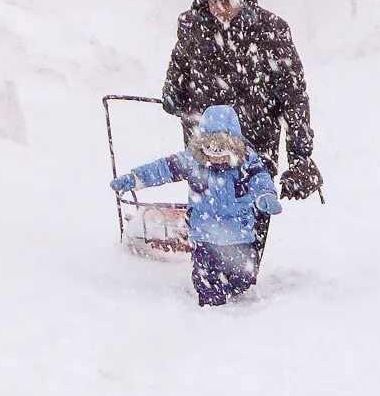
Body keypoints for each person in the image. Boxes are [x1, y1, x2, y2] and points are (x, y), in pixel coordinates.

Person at [162, 0, 321, 270]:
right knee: (209, 223)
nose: (220, 9)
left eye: (227, 0)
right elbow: (176, 77)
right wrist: (176, 98)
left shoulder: (270, 31)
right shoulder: (192, 28)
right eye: (213, 1)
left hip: (256, 146)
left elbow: (294, 97)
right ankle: (211, 280)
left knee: (249, 221)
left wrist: (300, 156)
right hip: (205, 151)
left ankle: (241, 276)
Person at [110, 105, 282, 307]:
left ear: (235, 147)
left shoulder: (248, 163)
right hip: (205, 235)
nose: (217, 158)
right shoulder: (192, 161)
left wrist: (265, 195)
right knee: (207, 281)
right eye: (210, 150)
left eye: (223, 151)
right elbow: (162, 169)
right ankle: (210, 309)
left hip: (239, 234)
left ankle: (235, 287)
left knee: (242, 278)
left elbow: (261, 180)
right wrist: (134, 178)